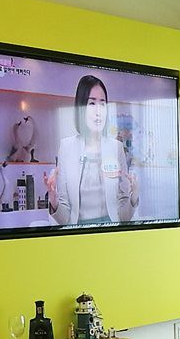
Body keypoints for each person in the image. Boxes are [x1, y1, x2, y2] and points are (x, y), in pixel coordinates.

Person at [45, 73, 138, 226]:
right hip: (79, 234)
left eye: (103, 104)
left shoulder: (116, 148)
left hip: (111, 233)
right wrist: (54, 201)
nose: (98, 111)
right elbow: (65, 219)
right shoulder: (67, 147)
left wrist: (134, 197)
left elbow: (123, 217)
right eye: (92, 103)